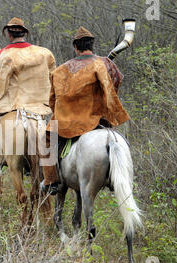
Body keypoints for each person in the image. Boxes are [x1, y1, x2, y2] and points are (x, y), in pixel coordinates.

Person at [40, 26, 130, 195]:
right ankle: (113, 177)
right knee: (117, 141)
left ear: (75, 47)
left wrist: (61, 114)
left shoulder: (60, 71)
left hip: (66, 123)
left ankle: (51, 181)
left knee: (46, 139)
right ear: (92, 45)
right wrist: (109, 111)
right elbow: (114, 85)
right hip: (94, 119)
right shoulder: (101, 64)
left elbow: (52, 100)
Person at [0, 17, 56, 169]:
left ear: (9, 35)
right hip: (39, 106)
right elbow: (53, 78)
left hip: (12, 104)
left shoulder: (5, 54)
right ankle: (53, 173)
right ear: (25, 34)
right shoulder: (45, 53)